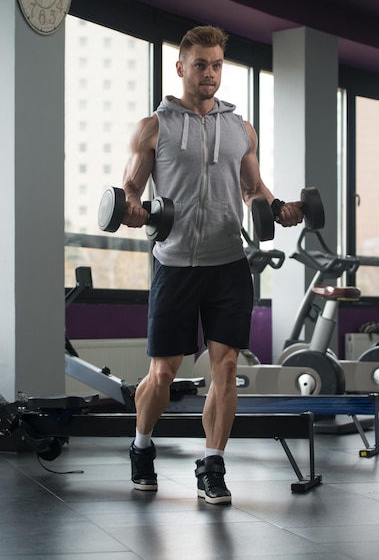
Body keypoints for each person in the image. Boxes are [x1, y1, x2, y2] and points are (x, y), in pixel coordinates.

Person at [121, 25, 304, 505]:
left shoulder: (239, 128)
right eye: (200, 64)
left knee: (225, 368)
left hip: (228, 262)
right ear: (181, 68)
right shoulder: (153, 128)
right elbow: (129, 193)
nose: (210, 74)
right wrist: (132, 207)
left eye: (217, 65)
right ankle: (141, 446)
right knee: (163, 373)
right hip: (175, 262)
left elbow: (253, 189)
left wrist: (278, 206)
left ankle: (213, 464)